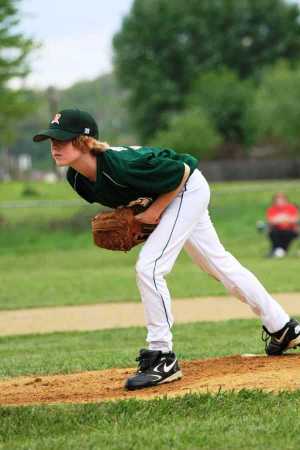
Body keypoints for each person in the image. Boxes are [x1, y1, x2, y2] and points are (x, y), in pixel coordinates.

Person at [33, 109, 300, 391]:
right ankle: (284, 328)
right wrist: (137, 219)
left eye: (61, 140)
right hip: (170, 194)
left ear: (84, 142)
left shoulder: (119, 165)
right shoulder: (77, 179)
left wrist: (156, 212)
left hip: (186, 189)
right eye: (51, 140)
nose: (54, 146)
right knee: (219, 265)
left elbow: (184, 169)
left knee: (149, 267)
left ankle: (162, 356)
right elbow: (131, 196)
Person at [266, 193, 299, 258]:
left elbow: (295, 219)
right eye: (278, 200)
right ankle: (278, 250)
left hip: (290, 229)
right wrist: (285, 219)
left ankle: (282, 250)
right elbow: (271, 221)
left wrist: (280, 219)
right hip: (277, 229)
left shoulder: (291, 208)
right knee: (273, 232)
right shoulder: (272, 209)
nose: (279, 202)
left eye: (281, 200)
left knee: (290, 233)